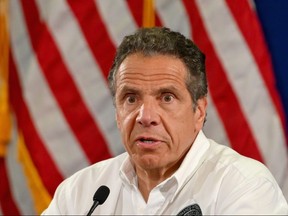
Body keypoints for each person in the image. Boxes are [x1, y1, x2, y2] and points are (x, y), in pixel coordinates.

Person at [42, 27, 288, 215]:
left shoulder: (243, 186)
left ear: (199, 111)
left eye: (166, 98)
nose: (145, 116)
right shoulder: (80, 194)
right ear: (117, 113)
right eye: (130, 98)